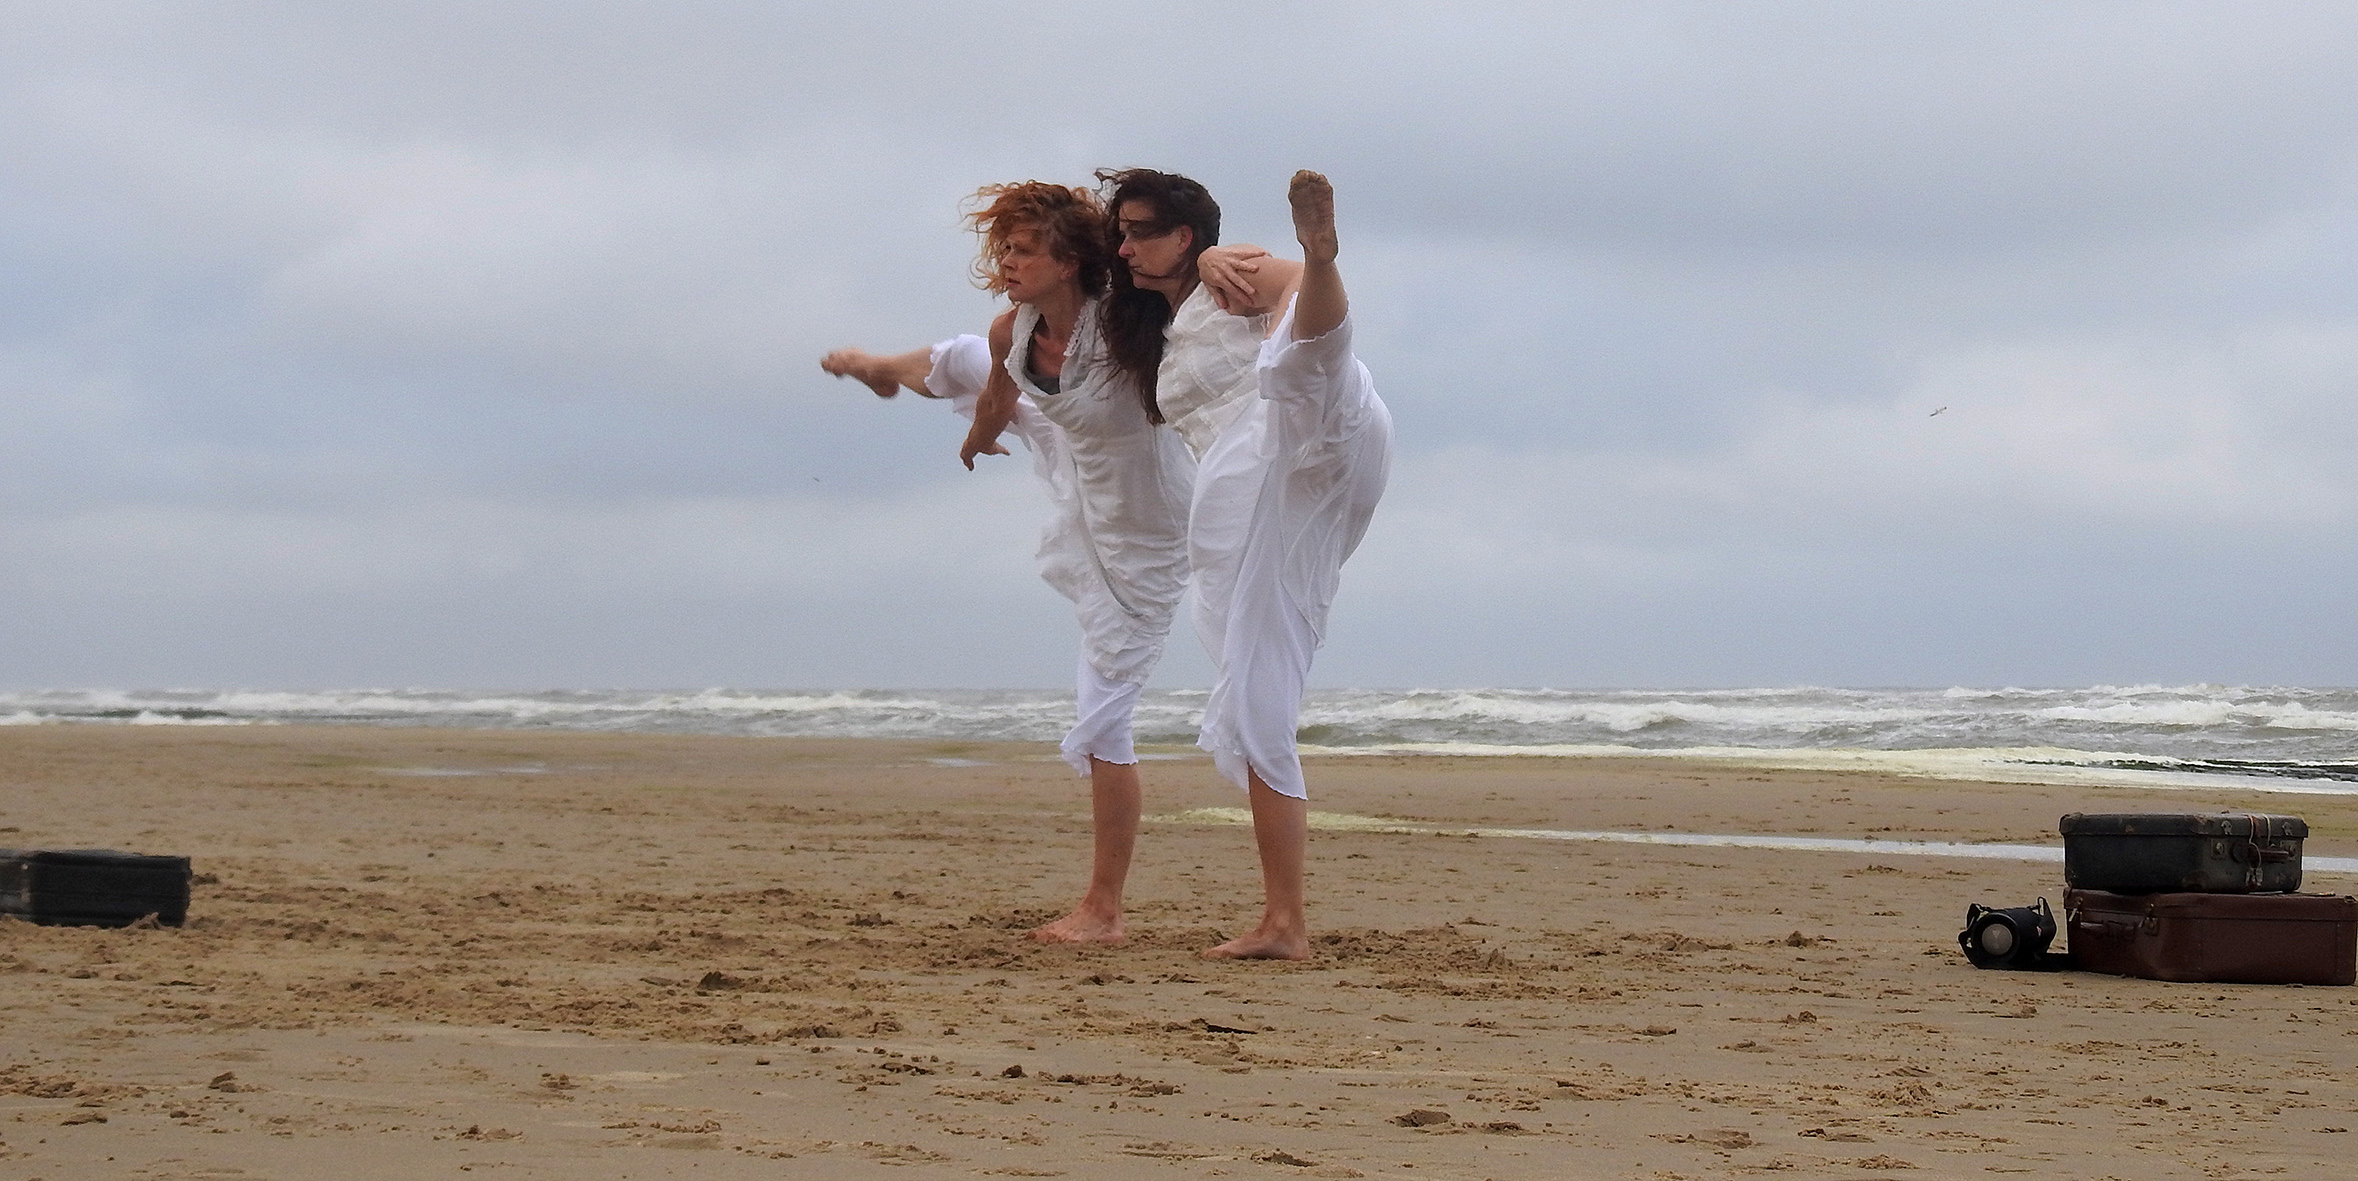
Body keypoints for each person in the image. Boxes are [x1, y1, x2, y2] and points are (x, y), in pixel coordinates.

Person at [822, 182, 1192, 945]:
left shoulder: (1126, 323)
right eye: (1005, 250)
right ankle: (885, 368)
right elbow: (997, 390)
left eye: (1025, 251)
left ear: (1070, 260)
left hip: (1147, 518)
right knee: (964, 353)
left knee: (1102, 718)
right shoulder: (1015, 329)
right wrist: (977, 436)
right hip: (1075, 462)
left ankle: (1104, 910)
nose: (1008, 263)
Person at [1100, 169, 1393, 960]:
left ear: (1185, 235)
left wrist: (1309, 263)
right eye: (1119, 233)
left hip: (1302, 430)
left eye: (1141, 231)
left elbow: (1290, 286)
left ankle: (1285, 923)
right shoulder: (1154, 324)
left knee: (1299, 366)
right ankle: (1283, 919)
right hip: (1271, 477)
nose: (1125, 247)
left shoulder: (1232, 271)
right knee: (1257, 679)